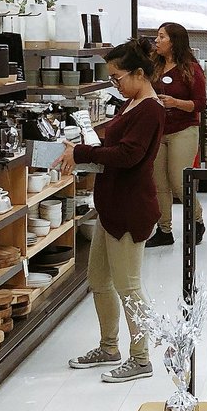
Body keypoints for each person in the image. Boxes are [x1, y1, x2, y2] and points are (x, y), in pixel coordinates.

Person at [59, 39, 165, 383]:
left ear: (138, 73)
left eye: (117, 77)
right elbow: (116, 149)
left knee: (129, 286)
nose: (114, 84)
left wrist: (84, 154)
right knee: (99, 281)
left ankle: (141, 357)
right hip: (112, 205)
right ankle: (109, 347)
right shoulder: (132, 102)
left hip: (131, 208)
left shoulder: (150, 109)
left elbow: (128, 155)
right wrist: (86, 151)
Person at [147, 22, 207, 248]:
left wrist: (175, 103)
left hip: (183, 130)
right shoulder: (154, 65)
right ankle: (164, 230)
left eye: (161, 37)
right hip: (158, 131)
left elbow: (200, 104)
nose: (157, 40)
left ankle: (198, 221)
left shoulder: (191, 68)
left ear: (174, 42)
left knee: (179, 181)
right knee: (159, 183)